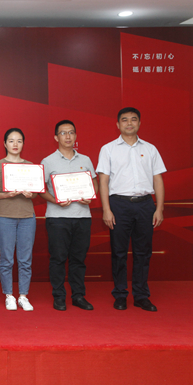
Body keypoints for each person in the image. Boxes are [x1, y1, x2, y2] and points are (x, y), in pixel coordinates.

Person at [96, 107, 165, 312]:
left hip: (145, 204)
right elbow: (103, 181)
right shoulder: (108, 149)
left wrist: (159, 208)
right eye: (124, 120)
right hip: (119, 205)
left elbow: (158, 179)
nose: (129, 123)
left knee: (143, 252)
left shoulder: (150, 149)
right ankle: (120, 294)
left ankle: (141, 295)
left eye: (133, 119)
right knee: (119, 252)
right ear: (118, 124)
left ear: (139, 123)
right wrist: (106, 209)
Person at [39, 120, 98, 311]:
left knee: (78, 259)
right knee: (58, 258)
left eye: (71, 132)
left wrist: (91, 196)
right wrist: (55, 200)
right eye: (63, 133)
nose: (67, 136)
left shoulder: (85, 160)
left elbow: (94, 183)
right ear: (56, 137)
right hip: (57, 218)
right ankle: (59, 296)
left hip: (82, 217)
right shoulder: (48, 161)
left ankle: (78, 295)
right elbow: (41, 189)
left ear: (75, 136)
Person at [0, 128, 36, 311]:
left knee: (25, 260)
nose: (15, 144)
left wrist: (31, 194)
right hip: (5, 216)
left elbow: (36, 193)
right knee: (6, 259)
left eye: (19, 141)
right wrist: (6, 195)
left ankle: (23, 296)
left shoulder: (30, 166)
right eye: (11, 141)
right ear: (4, 143)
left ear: (23, 144)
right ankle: (9, 295)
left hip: (27, 217)